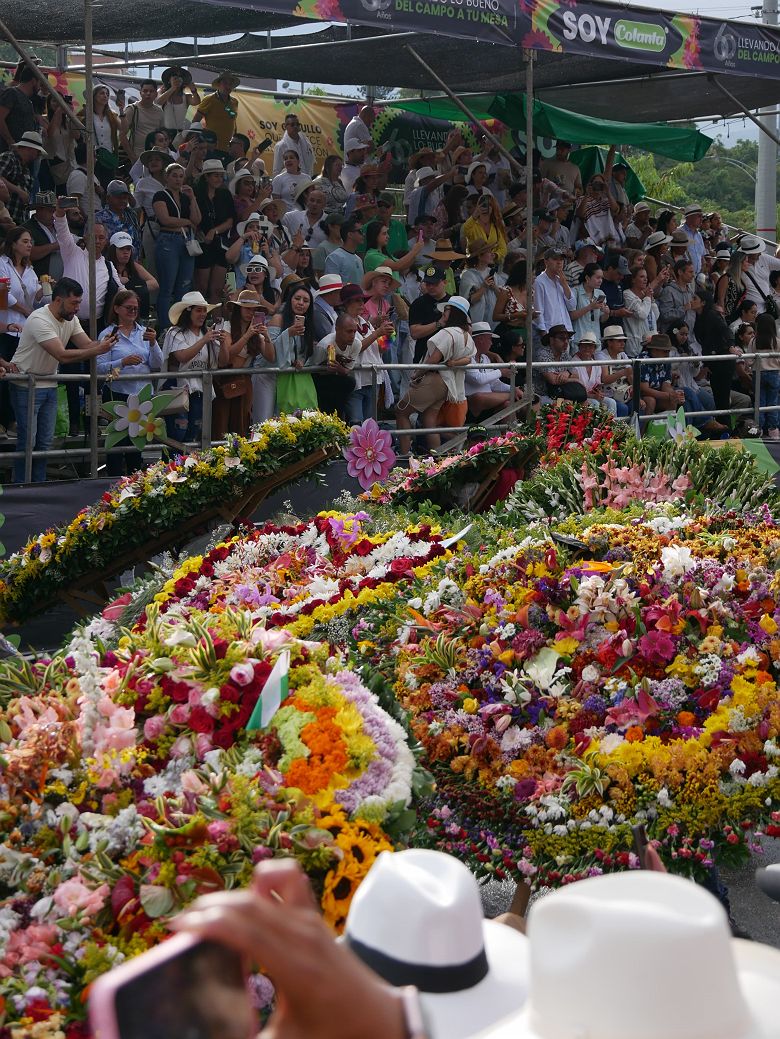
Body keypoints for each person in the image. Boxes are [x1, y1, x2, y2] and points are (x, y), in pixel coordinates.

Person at [9, 277, 114, 482]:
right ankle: (22, 487)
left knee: (45, 443)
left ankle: (37, 485)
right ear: (58, 300)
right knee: (28, 443)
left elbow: (86, 344)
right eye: (74, 303)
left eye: (78, 303)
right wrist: (99, 348)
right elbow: (62, 355)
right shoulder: (39, 319)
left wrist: (105, 343)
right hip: (26, 385)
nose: (77, 309)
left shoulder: (70, 319)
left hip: (49, 383)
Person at [396, 295, 475, 453]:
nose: (442, 313)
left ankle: (404, 454)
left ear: (452, 312)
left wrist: (417, 374)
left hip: (434, 380)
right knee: (429, 421)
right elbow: (468, 359)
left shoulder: (447, 333)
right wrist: (453, 363)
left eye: (446, 310)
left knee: (401, 411)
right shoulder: (466, 335)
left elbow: (433, 360)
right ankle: (436, 458)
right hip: (447, 384)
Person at [97, 288, 162, 475]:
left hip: (142, 395)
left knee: (137, 444)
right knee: (117, 444)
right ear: (116, 309)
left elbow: (157, 364)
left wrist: (153, 343)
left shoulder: (145, 332)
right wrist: (122, 362)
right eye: (128, 308)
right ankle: (113, 486)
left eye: (135, 308)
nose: (133, 311)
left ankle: (136, 484)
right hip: (118, 394)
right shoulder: (107, 335)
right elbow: (100, 368)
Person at [161, 290, 227, 442]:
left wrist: (223, 344)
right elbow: (182, 356)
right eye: (198, 310)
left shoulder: (208, 333)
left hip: (200, 390)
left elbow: (223, 362)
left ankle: (190, 465)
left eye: (204, 310)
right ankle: (173, 465)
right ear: (188, 312)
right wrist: (204, 340)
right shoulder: (175, 332)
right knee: (178, 434)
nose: (203, 314)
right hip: (178, 389)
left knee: (194, 433)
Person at [213, 289, 273, 438]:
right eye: (247, 308)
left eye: (254, 310)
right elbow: (228, 354)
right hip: (224, 379)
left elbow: (270, 356)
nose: (250, 313)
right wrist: (247, 335)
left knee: (241, 423)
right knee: (221, 423)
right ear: (238, 309)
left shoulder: (256, 333)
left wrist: (266, 336)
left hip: (244, 381)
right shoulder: (226, 326)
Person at [0, 226, 41, 437]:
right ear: (13, 243)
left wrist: (44, 290)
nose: (29, 245)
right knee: (4, 376)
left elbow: (35, 299)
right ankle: (4, 420)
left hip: (24, 332)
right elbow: (3, 296)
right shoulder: (2, 265)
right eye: (25, 241)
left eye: (30, 241)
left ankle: (15, 420)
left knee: (18, 376)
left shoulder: (31, 270)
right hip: (6, 328)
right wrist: (27, 311)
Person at [153, 162, 202, 331]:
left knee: (184, 285)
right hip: (168, 240)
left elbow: (197, 220)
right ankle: (166, 327)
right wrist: (186, 222)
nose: (178, 179)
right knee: (167, 286)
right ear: (166, 177)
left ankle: (181, 324)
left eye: (181, 176)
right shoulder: (161, 195)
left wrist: (193, 198)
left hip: (186, 241)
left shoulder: (185, 197)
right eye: (174, 175)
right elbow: (165, 219)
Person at [268, 280, 318, 414]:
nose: (301, 303)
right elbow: (270, 350)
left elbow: (306, 351)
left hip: (295, 377)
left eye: (306, 300)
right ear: (290, 300)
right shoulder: (278, 319)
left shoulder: (308, 325)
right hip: (271, 376)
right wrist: (288, 333)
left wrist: (301, 359)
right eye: (297, 298)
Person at [192, 158, 234, 302]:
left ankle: (216, 322)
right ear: (206, 177)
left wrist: (214, 231)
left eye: (221, 175)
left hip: (220, 244)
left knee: (217, 289)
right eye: (215, 175)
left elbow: (230, 221)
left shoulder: (225, 195)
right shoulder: (197, 194)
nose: (219, 179)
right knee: (201, 287)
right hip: (202, 244)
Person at [465, 322, 521, 419]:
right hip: (471, 406)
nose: (491, 343)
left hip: (489, 403)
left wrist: (513, 388)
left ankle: (513, 434)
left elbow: (494, 384)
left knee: (507, 405)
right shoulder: (466, 358)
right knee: (479, 397)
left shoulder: (485, 358)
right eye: (490, 339)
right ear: (480, 339)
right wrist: (501, 372)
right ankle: (512, 395)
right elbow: (479, 379)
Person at [108, 231, 157, 320]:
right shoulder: (106, 266)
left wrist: (130, 284)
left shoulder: (135, 266)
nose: (126, 252)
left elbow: (154, 284)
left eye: (128, 249)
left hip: (136, 315)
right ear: (113, 249)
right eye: (122, 248)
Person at [78, 85, 120, 188]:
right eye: (101, 93)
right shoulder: (85, 113)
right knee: (93, 187)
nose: (105, 96)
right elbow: (75, 130)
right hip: (91, 157)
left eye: (107, 94)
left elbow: (123, 129)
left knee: (107, 187)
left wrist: (121, 110)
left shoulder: (112, 115)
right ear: (94, 96)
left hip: (108, 156)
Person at [0, 129, 45, 225]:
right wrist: (19, 191)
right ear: (30, 149)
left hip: (19, 218)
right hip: (5, 217)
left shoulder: (26, 168)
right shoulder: (8, 157)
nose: (38, 155)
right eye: (38, 152)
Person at [408, 266, 449, 368]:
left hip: (450, 359)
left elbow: (467, 329)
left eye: (435, 283)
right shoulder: (419, 303)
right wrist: (439, 323)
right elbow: (414, 333)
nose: (431, 287)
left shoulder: (455, 302)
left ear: (444, 282)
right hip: (423, 356)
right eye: (428, 283)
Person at [191, 72, 240, 157]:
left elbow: (233, 122)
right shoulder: (209, 99)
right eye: (225, 83)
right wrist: (200, 141)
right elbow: (195, 121)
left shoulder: (234, 102)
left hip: (228, 148)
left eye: (230, 84)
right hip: (211, 146)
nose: (228, 86)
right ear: (219, 84)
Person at [570, 331, 617, 414]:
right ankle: (593, 426)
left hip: (592, 395)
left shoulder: (596, 364)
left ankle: (610, 426)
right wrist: (593, 396)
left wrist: (599, 393)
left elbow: (597, 385)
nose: (587, 348)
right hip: (577, 398)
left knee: (611, 402)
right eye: (584, 345)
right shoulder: (573, 363)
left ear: (594, 349)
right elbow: (576, 391)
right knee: (595, 403)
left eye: (591, 346)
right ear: (579, 347)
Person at [639, 332, 684, 415]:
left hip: (658, 393)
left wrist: (673, 395)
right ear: (655, 350)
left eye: (668, 351)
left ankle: (667, 427)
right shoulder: (643, 360)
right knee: (651, 401)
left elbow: (666, 385)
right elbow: (644, 390)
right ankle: (643, 428)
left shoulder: (666, 360)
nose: (667, 354)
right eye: (665, 351)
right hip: (640, 395)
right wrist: (668, 395)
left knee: (673, 400)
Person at [533, 247, 576, 336]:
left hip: (566, 330)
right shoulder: (539, 281)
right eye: (555, 259)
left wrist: (564, 283)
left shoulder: (561, 280)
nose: (559, 262)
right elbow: (538, 308)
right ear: (546, 262)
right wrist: (543, 331)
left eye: (561, 259)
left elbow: (572, 306)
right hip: (550, 332)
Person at [95, 179, 142, 259]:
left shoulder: (131, 215)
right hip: (108, 265)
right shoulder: (98, 218)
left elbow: (137, 241)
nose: (122, 200)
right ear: (108, 198)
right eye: (118, 197)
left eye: (125, 198)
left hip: (132, 264)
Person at [623, 266, 663, 358]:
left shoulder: (646, 297)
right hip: (635, 346)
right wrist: (648, 298)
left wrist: (651, 300)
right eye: (641, 277)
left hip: (650, 345)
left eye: (646, 277)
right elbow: (642, 314)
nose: (645, 279)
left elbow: (656, 316)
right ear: (633, 280)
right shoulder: (627, 294)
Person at [119, 80, 164, 163]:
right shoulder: (132, 109)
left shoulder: (159, 111)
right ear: (140, 93)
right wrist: (132, 156)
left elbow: (161, 135)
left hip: (155, 157)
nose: (148, 93)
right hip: (137, 156)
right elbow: (122, 135)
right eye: (145, 91)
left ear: (156, 94)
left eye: (151, 91)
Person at [459, 238, 499, 327]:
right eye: (489, 252)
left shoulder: (492, 273)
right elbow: (469, 301)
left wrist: (495, 287)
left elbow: (501, 297)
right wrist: (483, 287)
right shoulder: (468, 275)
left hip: (494, 324)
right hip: (476, 325)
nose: (492, 254)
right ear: (480, 256)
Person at [0, 64, 39, 153]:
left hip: (23, 154)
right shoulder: (12, 93)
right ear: (33, 81)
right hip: (10, 152)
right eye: (39, 82)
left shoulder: (28, 101)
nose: (40, 87)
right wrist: (10, 141)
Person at [596, 325, 633, 415]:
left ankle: (635, 429)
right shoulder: (601, 356)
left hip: (624, 392)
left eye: (623, 341)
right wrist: (623, 372)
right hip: (609, 395)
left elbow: (631, 377)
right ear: (609, 342)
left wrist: (638, 396)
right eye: (619, 341)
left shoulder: (623, 355)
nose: (623, 344)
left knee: (640, 405)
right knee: (622, 408)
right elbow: (604, 379)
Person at [24, 191, 62, 280]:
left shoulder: (59, 226)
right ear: (39, 209)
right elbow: (29, 253)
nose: (54, 214)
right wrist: (55, 246)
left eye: (55, 211)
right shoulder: (27, 229)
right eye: (50, 211)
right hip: (40, 282)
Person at [754, 311, 780, 438]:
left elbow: (749, 360)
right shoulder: (777, 341)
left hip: (758, 374)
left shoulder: (754, 341)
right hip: (774, 374)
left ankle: (760, 429)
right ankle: (773, 430)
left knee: (760, 402)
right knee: (773, 403)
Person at [461, 194, 507, 264]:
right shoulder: (471, 224)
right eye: (483, 205)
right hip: (475, 264)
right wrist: (476, 214)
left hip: (493, 264)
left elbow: (503, 248)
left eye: (489, 205)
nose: (486, 208)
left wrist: (494, 255)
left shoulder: (496, 226)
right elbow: (465, 230)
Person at [569, 262, 608, 347]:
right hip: (579, 341)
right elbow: (571, 316)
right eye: (597, 277)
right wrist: (590, 307)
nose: (600, 280)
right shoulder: (575, 292)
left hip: (595, 341)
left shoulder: (600, 293)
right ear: (587, 278)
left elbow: (602, 320)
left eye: (601, 278)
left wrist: (606, 312)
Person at [493, 260, 528, 349]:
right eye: (532, 274)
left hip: (524, 331)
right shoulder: (506, 291)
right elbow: (495, 316)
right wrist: (515, 315)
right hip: (508, 331)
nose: (534, 277)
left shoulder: (530, 291)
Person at [157, 66, 201, 135]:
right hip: (165, 134)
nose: (178, 78)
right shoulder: (161, 92)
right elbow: (158, 102)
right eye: (174, 75)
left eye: (180, 76)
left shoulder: (186, 96)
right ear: (169, 80)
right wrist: (173, 88)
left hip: (180, 134)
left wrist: (193, 91)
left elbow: (196, 102)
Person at [658, 258, 696, 333]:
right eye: (690, 272)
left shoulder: (690, 292)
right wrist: (683, 309)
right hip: (672, 337)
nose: (693, 275)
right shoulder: (669, 291)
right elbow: (665, 315)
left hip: (689, 338)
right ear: (680, 272)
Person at [272, 112, 314, 176]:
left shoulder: (306, 144)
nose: (295, 126)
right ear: (285, 126)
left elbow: (310, 165)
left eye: (297, 124)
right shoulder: (281, 146)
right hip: (290, 183)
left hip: (307, 181)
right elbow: (276, 172)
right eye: (292, 124)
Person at [324, 219, 365, 285]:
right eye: (360, 231)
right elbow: (331, 285)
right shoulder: (334, 257)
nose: (363, 234)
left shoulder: (359, 259)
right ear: (350, 234)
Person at [312, 273, 343, 341]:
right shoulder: (317, 311)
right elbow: (328, 337)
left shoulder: (330, 308)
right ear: (331, 293)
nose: (342, 296)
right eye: (339, 292)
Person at [313, 213, 345, 277]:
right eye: (341, 225)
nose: (344, 228)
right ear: (330, 226)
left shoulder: (346, 244)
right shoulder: (322, 248)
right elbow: (319, 274)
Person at [680, 202, 706, 275]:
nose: (701, 219)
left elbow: (702, 257)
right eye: (699, 216)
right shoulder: (680, 233)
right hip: (684, 276)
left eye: (702, 216)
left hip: (697, 277)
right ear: (689, 217)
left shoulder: (699, 235)